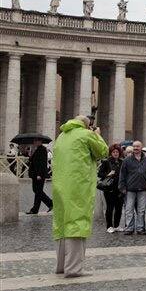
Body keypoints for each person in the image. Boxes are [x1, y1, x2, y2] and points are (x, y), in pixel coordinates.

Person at [52, 115, 108, 277]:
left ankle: (61, 266)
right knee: (77, 223)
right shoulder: (86, 134)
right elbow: (103, 151)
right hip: (79, 185)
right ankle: (74, 269)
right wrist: (96, 134)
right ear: (87, 125)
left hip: (60, 186)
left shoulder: (61, 136)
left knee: (62, 224)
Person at [118, 141, 146, 235]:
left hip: (143, 188)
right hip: (130, 188)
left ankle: (140, 228)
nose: (135, 148)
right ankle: (129, 228)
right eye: (134, 146)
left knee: (141, 210)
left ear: (141, 147)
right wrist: (122, 187)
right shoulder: (127, 160)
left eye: (137, 146)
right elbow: (122, 174)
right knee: (129, 209)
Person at [97, 144, 124, 233]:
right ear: (111, 153)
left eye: (117, 152)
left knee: (119, 208)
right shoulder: (106, 162)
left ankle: (116, 225)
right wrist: (108, 174)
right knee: (110, 207)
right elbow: (99, 174)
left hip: (119, 188)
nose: (115, 153)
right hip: (109, 188)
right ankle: (109, 226)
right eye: (114, 152)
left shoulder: (122, 162)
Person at [26, 138, 53, 214]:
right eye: (34, 141)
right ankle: (35, 209)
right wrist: (30, 153)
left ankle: (51, 203)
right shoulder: (37, 149)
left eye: (35, 141)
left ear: (40, 142)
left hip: (39, 174)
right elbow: (32, 160)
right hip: (35, 174)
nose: (34, 142)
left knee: (37, 190)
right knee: (37, 191)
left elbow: (41, 163)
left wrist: (39, 174)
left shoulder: (42, 149)